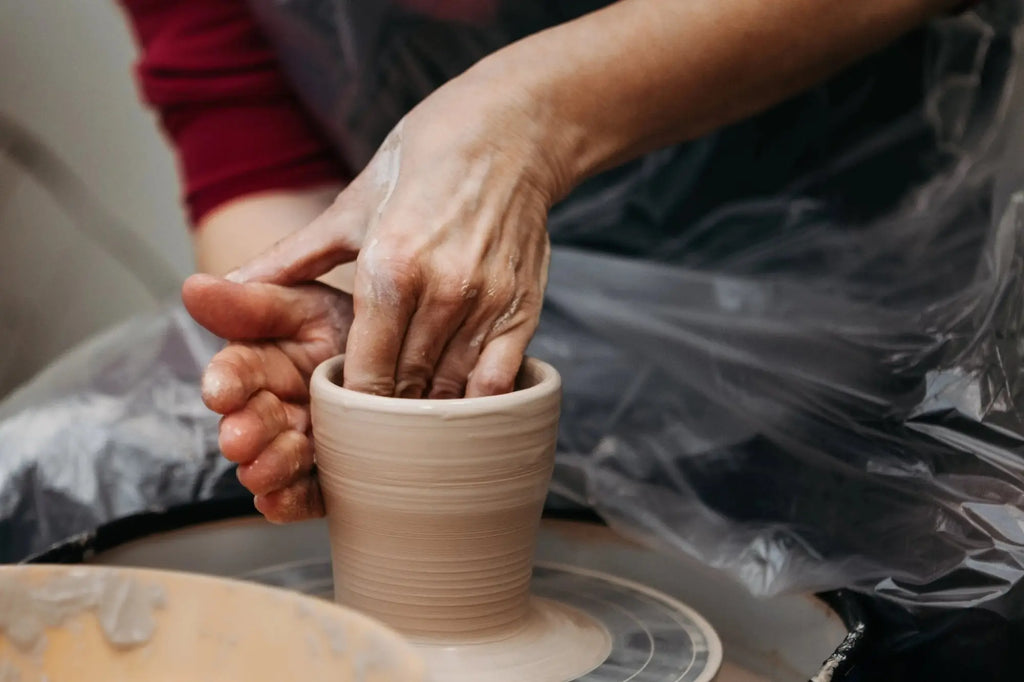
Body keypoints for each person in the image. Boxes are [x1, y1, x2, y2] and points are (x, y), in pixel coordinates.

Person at [119, 0, 981, 523]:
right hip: (485, 332)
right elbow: (246, 123)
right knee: (48, 476)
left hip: (894, 266)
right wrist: (338, 361)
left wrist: (529, 118)